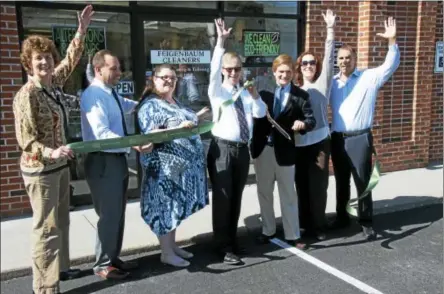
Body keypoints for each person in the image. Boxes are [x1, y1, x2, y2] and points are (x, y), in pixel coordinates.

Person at [12, 5, 94, 294]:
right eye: (38, 59)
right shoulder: (27, 95)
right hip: (40, 171)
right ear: (28, 64)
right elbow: (27, 142)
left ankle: (60, 269)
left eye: (47, 57)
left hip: (59, 167)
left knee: (61, 221)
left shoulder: (52, 84)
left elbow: (71, 60)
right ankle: (46, 288)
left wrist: (81, 31)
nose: (45, 63)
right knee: (45, 230)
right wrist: (52, 152)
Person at [80, 49, 152, 280]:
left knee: (118, 214)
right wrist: (133, 144)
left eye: (119, 68)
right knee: (109, 215)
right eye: (114, 68)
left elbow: (129, 106)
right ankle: (102, 264)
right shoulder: (94, 95)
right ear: (98, 70)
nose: (120, 72)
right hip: (102, 161)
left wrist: (150, 98)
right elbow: (101, 133)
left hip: (116, 160)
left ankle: (112, 257)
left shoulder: (110, 93)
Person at [329, 17, 400, 240]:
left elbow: (391, 65)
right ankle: (341, 217)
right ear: (336, 61)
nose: (344, 61)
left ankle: (366, 221)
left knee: (362, 181)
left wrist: (392, 41)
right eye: (340, 58)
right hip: (337, 138)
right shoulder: (332, 82)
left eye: (348, 58)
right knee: (341, 181)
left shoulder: (368, 77)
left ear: (354, 59)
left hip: (360, 138)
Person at [136, 64, 209, 267]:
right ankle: (166, 253)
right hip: (163, 169)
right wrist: (178, 128)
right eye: (164, 77)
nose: (169, 81)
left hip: (179, 171)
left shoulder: (174, 102)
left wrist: (199, 117)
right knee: (165, 208)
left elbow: (185, 120)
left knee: (174, 207)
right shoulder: (150, 105)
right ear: (154, 79)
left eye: (173, 78)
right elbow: (150, 134)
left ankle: (172, 246)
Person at [207, 18, 267, 265]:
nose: (233, 73)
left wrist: (255, 97)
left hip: (242, 150)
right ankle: (222, 246)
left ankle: (231, 240)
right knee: (223, 199)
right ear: (223, 70)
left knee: (236, 198)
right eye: (229, 69)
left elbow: (261, 113)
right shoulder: (217, 91)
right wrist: (221, 42)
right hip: (222, 149)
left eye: (237, 69)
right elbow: (211, 74)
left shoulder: (245, 91)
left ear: (242, 70)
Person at [250, 54, 316, 249]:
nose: (284, 75)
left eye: (288, 72)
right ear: (274, 72)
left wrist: (302, 123)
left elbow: (311, 120)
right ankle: (268, 230)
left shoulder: (301, 95)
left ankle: (292, 234)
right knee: (264, 193)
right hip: (263, 149)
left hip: (286, 150)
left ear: (294, 73)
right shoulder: (262, 92)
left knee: (288, 194)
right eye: (281, 72)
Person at [293, 9, 336, 241]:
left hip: (319, 141)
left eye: (312, 63)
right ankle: (303, 225)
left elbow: (329, 59)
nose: (308, 66)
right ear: (299, 67)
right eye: (304, 63)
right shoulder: (295, 90)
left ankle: (318, 226)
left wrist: (330, 30)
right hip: (299, 144)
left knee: (318, 187)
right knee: (301, 186)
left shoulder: (323, 84)